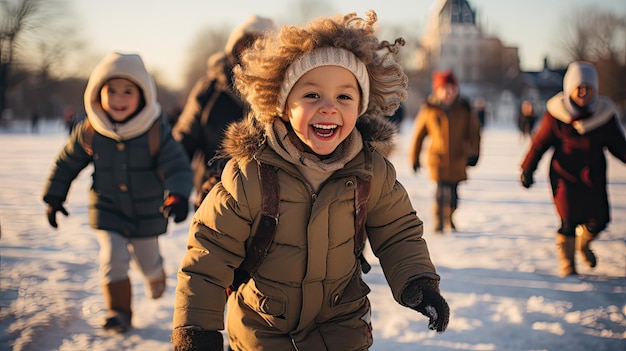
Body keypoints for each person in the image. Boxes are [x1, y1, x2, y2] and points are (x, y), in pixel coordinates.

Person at [172, 11, 450, 350]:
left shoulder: (371, 171)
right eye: (312, 96)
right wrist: (196, 328)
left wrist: (417, 279)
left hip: (342, 323)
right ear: (283, 105)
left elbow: (398, 231)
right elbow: (210, 252)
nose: (329, 108)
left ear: (361, 107)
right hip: (263, 326)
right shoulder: (250, 174)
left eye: (344, 97)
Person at [41, 52, 194, 333]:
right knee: (112, 258)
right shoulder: (90, 130)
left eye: (128, 91)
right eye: (111, 90)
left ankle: (154, 273)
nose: (119, 98)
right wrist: (54, 196)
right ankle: (119, 312)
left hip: (148, 212)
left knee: (146, 259)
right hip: (107, 208)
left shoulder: (155, 130)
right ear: (98, 93)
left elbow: (178, 167)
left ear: (143, 95)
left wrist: (179, 195)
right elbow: (66, 164)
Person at [520, 61, 626, 278]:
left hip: (593, 175)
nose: (584, 93)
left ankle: (583, 245)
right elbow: (539, 144)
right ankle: (567, 263)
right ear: (570, 89)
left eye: (589, 88)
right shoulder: (556, 114)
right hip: (564, 175)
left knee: (600, 220)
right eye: (579, 88)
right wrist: (527, 169)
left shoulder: (604, 115)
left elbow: (619, 146)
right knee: (568, 218)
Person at [172, 15, 276, 209]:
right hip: (213, 194)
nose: (251, 54)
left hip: (268, 202)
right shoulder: (209, 90)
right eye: (245, 46)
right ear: (232, 50)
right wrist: (176, 189)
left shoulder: (283, 93)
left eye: (261, 46)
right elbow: (183, 141)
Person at [409, 70, 481, 233]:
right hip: (438, 159)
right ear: (437, 90)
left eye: (452, 89)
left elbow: (474, 133)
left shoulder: (465, 109)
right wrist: (414, 158)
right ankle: (439, 221)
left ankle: (450, 216)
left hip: (457, 159)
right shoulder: (429, 109)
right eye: (444, 89)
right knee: (440, 193)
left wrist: (474, 153)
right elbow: (418, 136)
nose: (448, 93)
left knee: (454, 195)